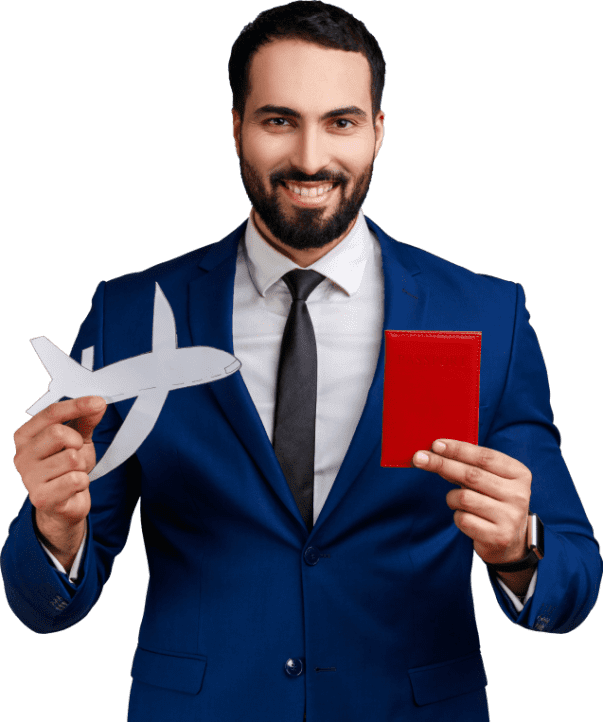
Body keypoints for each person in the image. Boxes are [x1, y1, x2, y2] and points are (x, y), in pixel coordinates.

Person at [2, 2, 601, 720]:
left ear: (378, 133)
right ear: (236, 128)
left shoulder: (483, 315)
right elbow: (45, 607)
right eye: (278, 120)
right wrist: (53, 531)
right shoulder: (130, 314)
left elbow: (573, 578)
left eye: (341, 122)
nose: (311, 157)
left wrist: (517, 548)